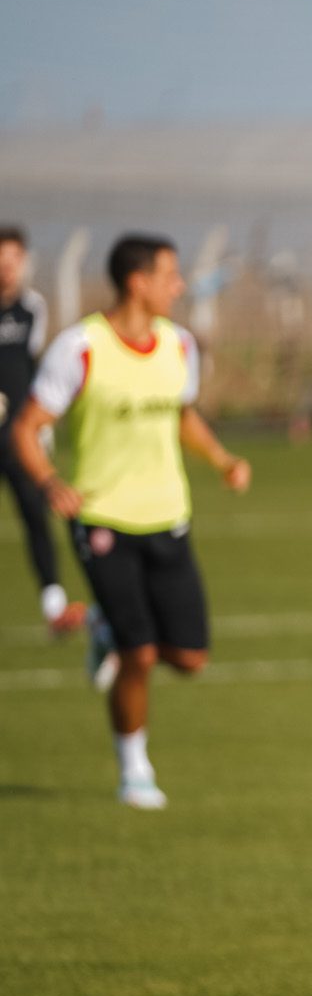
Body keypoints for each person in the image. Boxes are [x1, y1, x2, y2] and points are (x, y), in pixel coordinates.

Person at [9, 233, 252, 809]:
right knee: (139, 654)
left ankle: (102, 627)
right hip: (102, 519)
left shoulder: (179, 345)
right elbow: (26, 426)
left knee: (189, 658)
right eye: (170, 275)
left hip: (167, 516)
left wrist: (222, 459)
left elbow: (183, 415)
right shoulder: (81, 347)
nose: (180, 286)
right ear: (138, 282)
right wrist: (49, 481)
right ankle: (134, 768)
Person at [0, 226, 84, 633]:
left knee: (37, 516)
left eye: (13, 258)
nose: (6, 267)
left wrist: (39, 428)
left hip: (19, 438)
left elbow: (33, 369)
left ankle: (54, 606)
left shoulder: (33, 308)